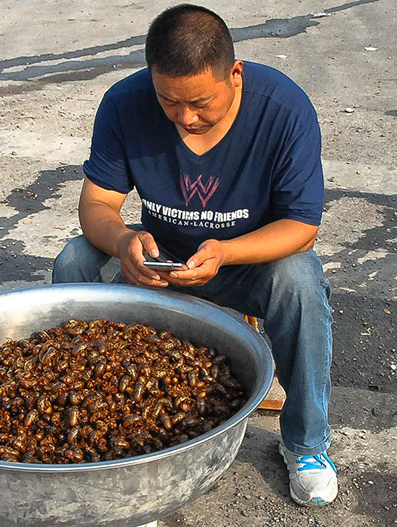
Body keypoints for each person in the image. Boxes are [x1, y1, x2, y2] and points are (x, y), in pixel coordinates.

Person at [52, 3, 337, 506]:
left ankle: (307, 443)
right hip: (157, 262)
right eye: (169, 102)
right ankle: (85, 415)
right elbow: (97, 204)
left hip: (242, 262)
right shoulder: (124, 103)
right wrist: (124, 243)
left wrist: (225, 252)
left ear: (235, 73)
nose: (186, 117)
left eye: (201, 102)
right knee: (76, 260)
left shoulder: (284, 108)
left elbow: (302, 227)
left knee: (299, 278)